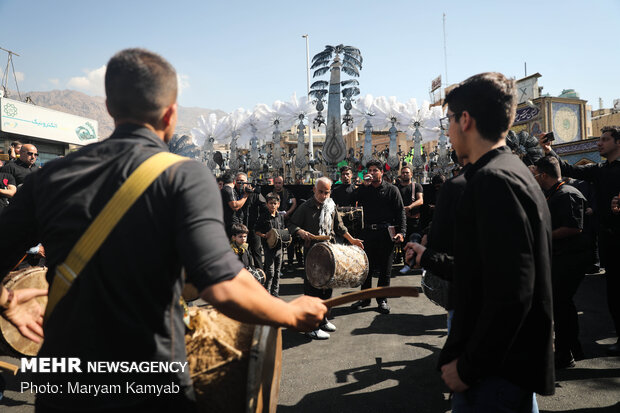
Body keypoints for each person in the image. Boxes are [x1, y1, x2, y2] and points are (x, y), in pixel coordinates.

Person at [0, 48, 326, 412]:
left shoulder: (49, 177)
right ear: (170, 114)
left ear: (109, 107)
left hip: (65, 382)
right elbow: (223, 284)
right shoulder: (183, 176)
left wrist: (7, 302)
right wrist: (291, 313)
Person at [431, 72, 555, 411]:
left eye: (449, 121)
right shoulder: (512, 171)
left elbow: (512, 292)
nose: (448, 130)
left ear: (465, 120)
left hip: (494, 376)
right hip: (503, 369)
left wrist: (469, 367)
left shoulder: (493, 180)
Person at [539, 126, 620, 355]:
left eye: (605, 139)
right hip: (608, 241)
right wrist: (549, 150)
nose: (599, 143)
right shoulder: (600, 170)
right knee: (613, 294)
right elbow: (570, 169)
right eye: (599, 139)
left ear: (618, 143)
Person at [288, 177, 364, 339]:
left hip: (329, 252)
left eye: (326, 192)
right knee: (312, 290)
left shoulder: (331, 206)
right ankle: (311, 326)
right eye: (320, 191)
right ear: (314, 190)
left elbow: (339, 226)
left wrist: (352, 241)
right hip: (312, 254)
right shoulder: (306, 206)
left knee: (327, 287)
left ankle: (322, 320)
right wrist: (300, 231)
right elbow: (292, 225)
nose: (323, 195)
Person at [532, 156, 589, 368]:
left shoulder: (567, 194)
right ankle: (566, 351)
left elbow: (574, 227)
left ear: (543, 175)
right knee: (559, 304)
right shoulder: (553, 193)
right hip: (559, 257)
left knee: (561, 303)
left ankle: (567, 353)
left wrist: (542, 236)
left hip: (570, 259)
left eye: (536, 173)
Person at [350, 160, 405, 314]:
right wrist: (362, 186)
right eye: (370, 170)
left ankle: (382, 300)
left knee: (385, 269)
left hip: (386, 233)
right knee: (366, 268)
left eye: (375, 170)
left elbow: (400, 212)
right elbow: (350, 199)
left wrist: (402, 232)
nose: (372, 173)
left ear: (381, 172)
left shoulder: (392, 190)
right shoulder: (364, 190)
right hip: (367, 233)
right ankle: (365, 299)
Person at [255, 192, 286, 297]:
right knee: (270, 272)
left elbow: (283, 230)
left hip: (279, 248)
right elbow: (256, 231)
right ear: (267, 204)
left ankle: (275, 292)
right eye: (270, 203)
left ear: (278, 204)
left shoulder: (280, 216)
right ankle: (266, 293)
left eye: (275, 203)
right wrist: (264, 235)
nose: (273, 205)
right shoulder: (263, 217)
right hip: (269, 248)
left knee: (277, 272)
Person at [235, 172, 266, 270]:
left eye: (242, 181)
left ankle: (260, 278)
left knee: (256, 253)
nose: (240, 183)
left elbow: (264, 207)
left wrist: (260, 223)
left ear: (247, 182)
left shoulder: (254, 192)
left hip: (253, 228)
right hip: (239, 228)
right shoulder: (233, 193)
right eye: (238, 181)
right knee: (241, 255)